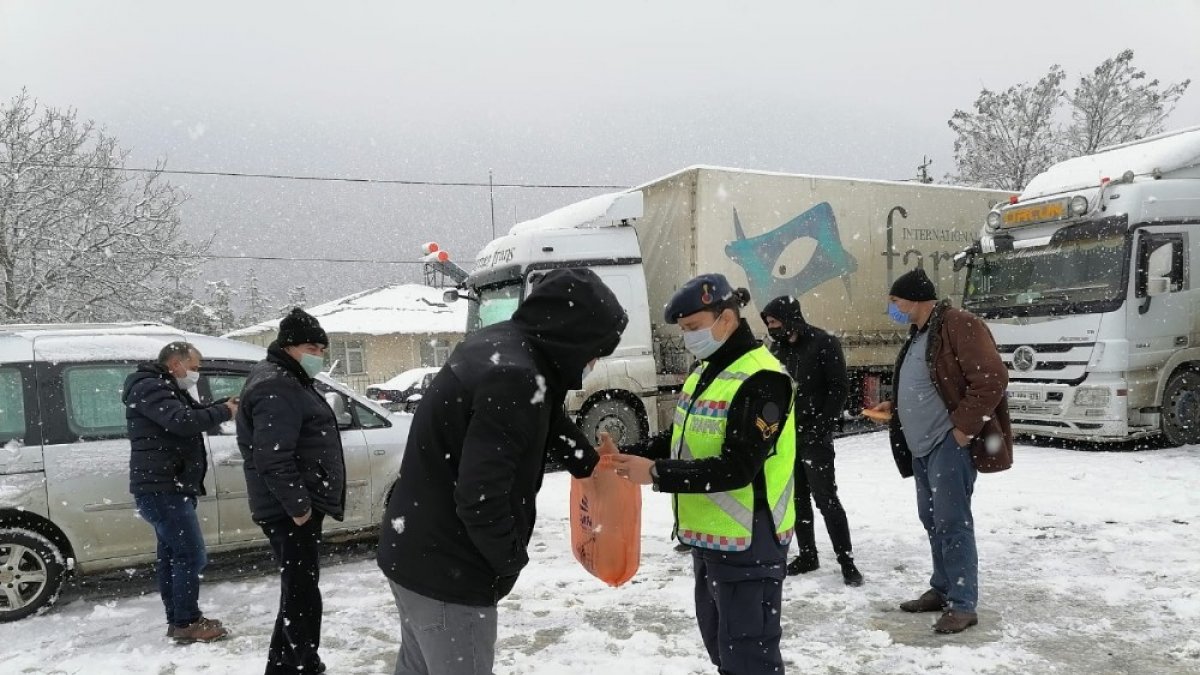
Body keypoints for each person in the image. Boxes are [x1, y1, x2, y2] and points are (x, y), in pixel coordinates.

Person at [377, 268, 628, 675]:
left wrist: (587, 462)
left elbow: (546, 412)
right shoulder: (517, 375)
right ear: (574, 336)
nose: (595, 360)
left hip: (413, 548)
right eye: (596, 348)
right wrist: (509, 560)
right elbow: (480, 498)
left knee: (417, 667)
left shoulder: (503, 346)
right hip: (449, 571)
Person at [610, 273, 796, 675]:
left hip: (752, 540)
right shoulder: (705, 372)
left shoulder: (762, 379)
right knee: (723, 648)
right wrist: (627, 455)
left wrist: (657, 474)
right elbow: (678, 438)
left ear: (726, 319)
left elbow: (739, 467)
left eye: (694, 328)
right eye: (684, 330)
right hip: (713, 540)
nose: (688, 338)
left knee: (750, 657)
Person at [867, 268, 1012, 634]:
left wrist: (962, 431)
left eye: (895, 301)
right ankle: (944, 588)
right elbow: (930, 383)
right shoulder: (919, 334)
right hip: (922, 447)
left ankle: (963, 604)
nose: (893, 309)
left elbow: (991, 377)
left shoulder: (958, 324)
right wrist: (895, 405)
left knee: (952, 522)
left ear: (916, 299)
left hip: (947, 445)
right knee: (932, 520)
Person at [237, 308, 343, 674]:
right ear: (289, 345)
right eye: (312, 347)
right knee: (302, 596)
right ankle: (303, 665)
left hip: (292, 506)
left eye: (322, 348)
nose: (319, 355)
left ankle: (284, 665)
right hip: (289, 510)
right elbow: (273, 457)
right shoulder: (276, 384)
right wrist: (300, 508)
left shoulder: (287, 378)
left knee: (296, 590)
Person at [125, 341, 235, 643]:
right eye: (195, 368)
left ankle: (180, 620)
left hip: (168, 487)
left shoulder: (164, 386)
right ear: (176, 363)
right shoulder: (151, 387)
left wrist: (226, 404)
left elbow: (193, 412)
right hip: (163, 489)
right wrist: (224, 411)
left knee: (174, 557)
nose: (196, 374)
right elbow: (183, 421)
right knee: (190, 556)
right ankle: (186, 621)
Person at [761, 295, 862, 586]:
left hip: (814, 437)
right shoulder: (776, 348)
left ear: (790, 318)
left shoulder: (823, 342)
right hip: (787, 438)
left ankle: (846, 560)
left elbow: (838, 387)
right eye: (769, 324)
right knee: (798, 499)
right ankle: (808, 555)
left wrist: (821, 425)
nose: (772, 329)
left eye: (775, 322)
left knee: (826, 499)